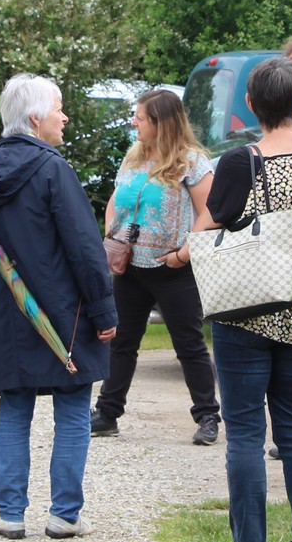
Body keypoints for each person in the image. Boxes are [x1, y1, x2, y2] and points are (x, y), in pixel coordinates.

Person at [187, 57, 292, 542]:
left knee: (246, 435)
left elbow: (212, 223)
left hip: (246, 311)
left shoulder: (239, 161)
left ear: (250, 104)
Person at [0, 73, 118, 541]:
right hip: (62, 314)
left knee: (14, 408)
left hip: (6, 314)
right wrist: (104, 310)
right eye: (58, 108)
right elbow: (85, 248)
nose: (64, 116)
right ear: (35, 119)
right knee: (72, 408)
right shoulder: (53, 170)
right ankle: (64, 514)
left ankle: (10, 514)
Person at [89, 89, 221, 445]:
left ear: (161, 123)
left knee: (189, 344)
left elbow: (211, 212)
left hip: (173, 269)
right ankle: (107, 413)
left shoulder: (192, 162)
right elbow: (115, 201)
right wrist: (112, 235)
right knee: (121, 342)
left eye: (140, 118)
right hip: (130, 268)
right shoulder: (134, 158)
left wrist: (184, 253)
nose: (134, 123)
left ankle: (207, 416)